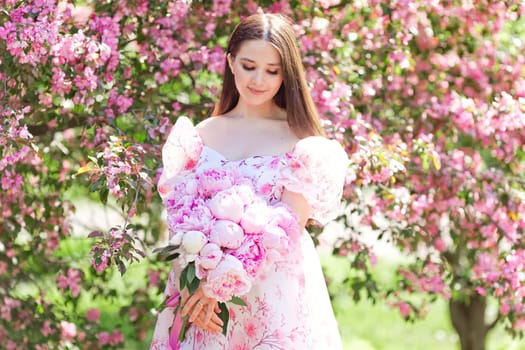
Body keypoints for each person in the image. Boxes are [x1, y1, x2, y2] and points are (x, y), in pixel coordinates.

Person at [151, 12, 348, 350]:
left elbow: (285, 228)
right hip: (197, 292)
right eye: (248, 65)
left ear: (287, 73)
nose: (259, 79)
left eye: (272, 71)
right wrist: (192, 283)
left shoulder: (301, 142)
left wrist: (218, 287)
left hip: (270, 297)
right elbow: (180, 219)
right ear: (230, 62)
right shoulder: (199, 136)